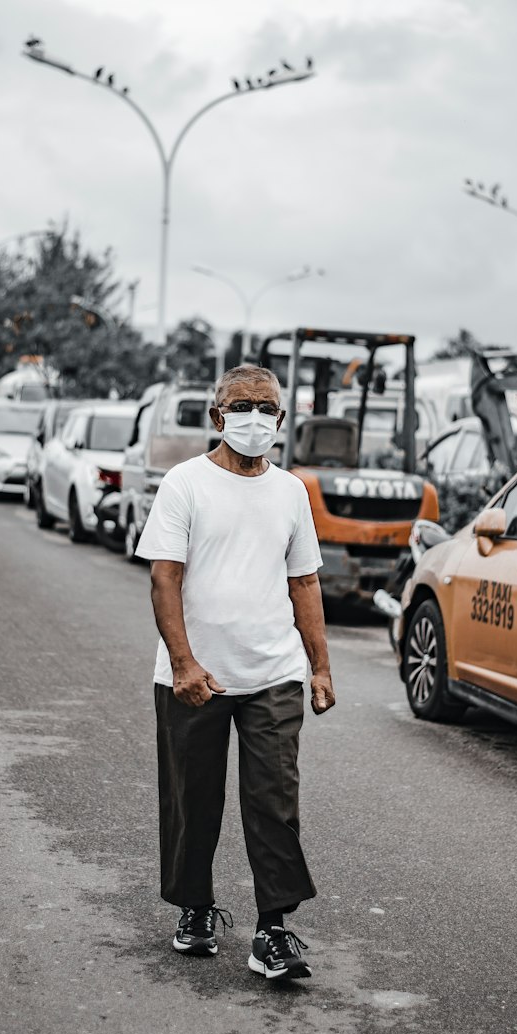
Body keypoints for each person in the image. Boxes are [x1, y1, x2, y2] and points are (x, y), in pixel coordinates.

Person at [136, 364, 336, 982]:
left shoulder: (291, 491)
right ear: (217, 416)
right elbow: (163, 576)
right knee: (193, 799)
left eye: (267, 408)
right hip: (194, 675)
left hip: (273, 672)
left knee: (274, 802)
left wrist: (320, 667)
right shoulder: (184, 484)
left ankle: (272, 930)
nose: (255, 418)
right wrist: (184, 662)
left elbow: (304, 580)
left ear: (280, 419)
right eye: (242, 405)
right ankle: (194, 908)